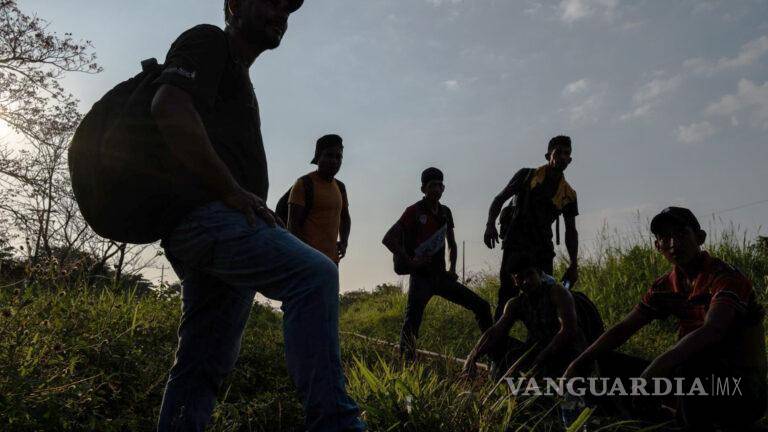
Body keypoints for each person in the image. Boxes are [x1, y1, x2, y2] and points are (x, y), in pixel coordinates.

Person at [149, 1, 366, 430]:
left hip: (221, 226)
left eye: (289, 7)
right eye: (271, 0)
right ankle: (336, 424)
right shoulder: (208, 40)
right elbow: (168, 105)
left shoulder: (238, 76)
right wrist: (231, 191)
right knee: (315, 276)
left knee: (202, 362)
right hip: (208, 219)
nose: (282, 12)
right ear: (234, 5)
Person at [564, 207, 767, 431]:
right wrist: (578, 362)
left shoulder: (724, 277)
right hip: (691, 381)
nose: (674, 243)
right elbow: (624, 328)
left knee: (690, 365)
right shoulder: (665, 285)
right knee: (606, 363)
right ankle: (654, 419)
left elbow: (713, 329)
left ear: (699, 238)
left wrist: (658, 366)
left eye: (681, 234)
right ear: (657, 246)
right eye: (665, 237)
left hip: (740, 387)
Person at [382, 167, 493, 362]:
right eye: (432, 185)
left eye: (440, 185)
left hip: (441, 277)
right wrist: (410, 261)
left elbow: (452, 244)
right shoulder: (414, 211)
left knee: (482, 306)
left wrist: (452, 269)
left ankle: (494, 355)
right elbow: (388, 239)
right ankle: (407, 364)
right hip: (421, 278)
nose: (436, 189)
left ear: (443, 188)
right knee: (412, 323)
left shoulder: (445, 212)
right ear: (423, 189)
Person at [483, 135, 580, 320]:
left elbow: (571, 231)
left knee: (546, 299)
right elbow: (499, 199)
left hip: (542, 249)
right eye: (557, 152)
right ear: (548, 156)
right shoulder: (527, 175)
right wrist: (490, 225)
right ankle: (498, 336)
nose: (562, 157)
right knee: (507, 295)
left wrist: (573, 264)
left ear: (570, 160)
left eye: (566, 154)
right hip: (516, 244)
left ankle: (542, 336)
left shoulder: (569, 194)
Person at [462, 255, 602, 381]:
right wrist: (472, 357)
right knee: (498, 343)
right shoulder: (516, 304)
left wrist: (540, 358)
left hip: (568, 354)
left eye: (530, 274)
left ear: (539, 273)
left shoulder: (557, 293)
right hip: (540, 355)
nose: (526, 281)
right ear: (514, 281)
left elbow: (568, 330)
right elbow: (495, 332)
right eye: (520, 277)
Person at [288, 134, 350, 264]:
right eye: (329, 155)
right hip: (307, 261)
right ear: (318, 158)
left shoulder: (340, 187)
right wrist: (306, 255)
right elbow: (293, 227)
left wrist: (344, 242)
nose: (334, 161)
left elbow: (345, 217)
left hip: (332, 261)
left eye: (338, 157)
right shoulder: (304, 184)